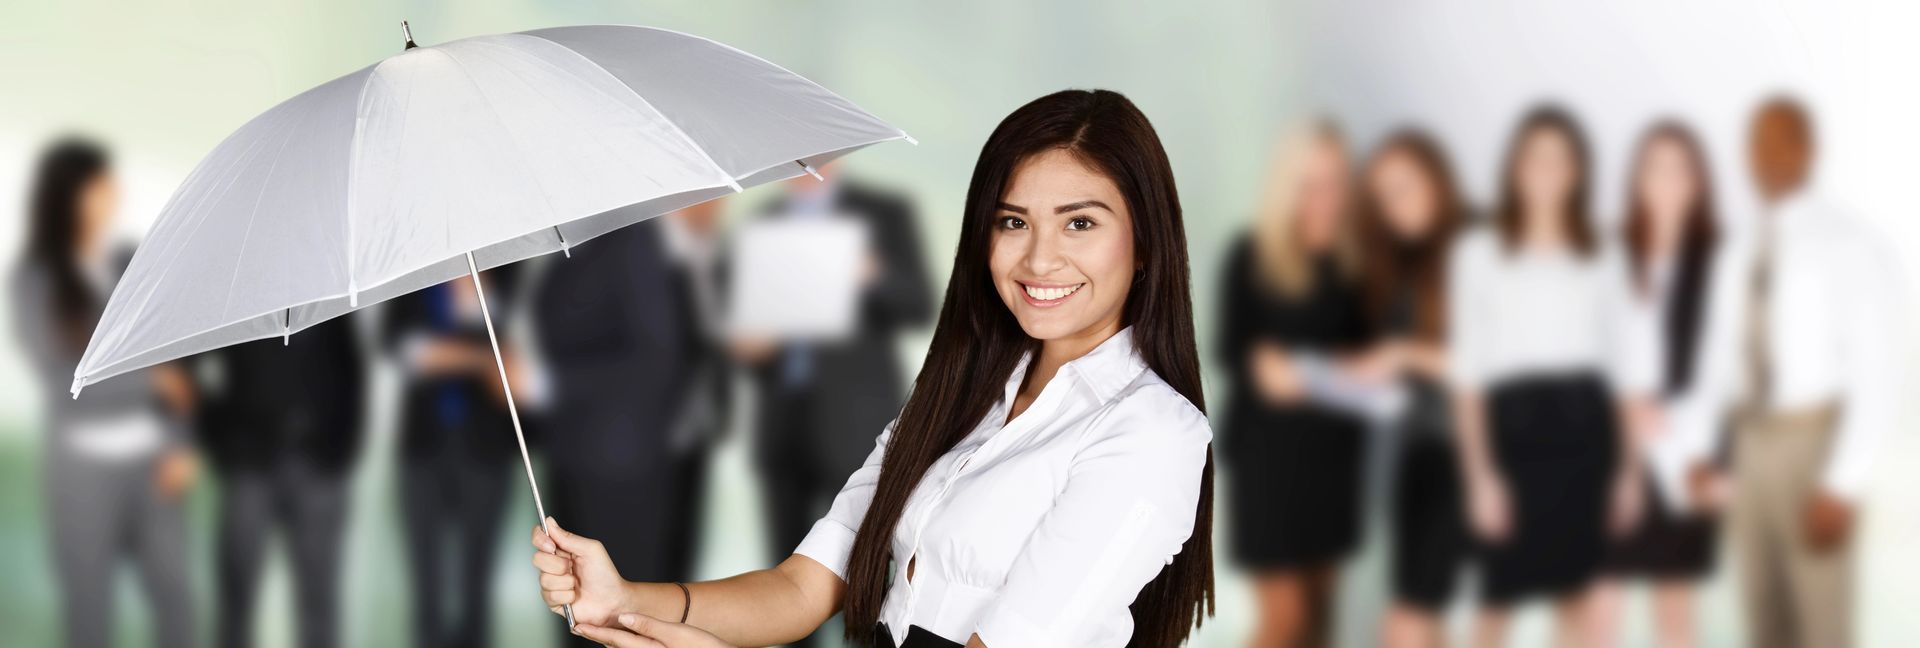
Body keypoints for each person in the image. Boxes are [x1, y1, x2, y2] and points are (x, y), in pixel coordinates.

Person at [529, 89, 1216, 648]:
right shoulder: (957, 398)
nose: (1038, 261)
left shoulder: (1153, 432)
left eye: (1080, 224)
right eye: (1012, 223)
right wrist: (624, 600)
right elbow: (803, 588)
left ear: (1147, 241)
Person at [1704, 96, 1905, 648]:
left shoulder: (1854, 244)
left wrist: (1842, 484)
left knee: (1822, 627)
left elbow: (1879, 374)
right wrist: (1702, 450)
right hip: (1749, 446)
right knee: (1764, 618)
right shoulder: (1737, 249)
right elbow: (1722, 357)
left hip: (1814, 444)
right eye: (1756, 143)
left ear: (1811, 149)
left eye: (1783, 139)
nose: (1768, 155)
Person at [1447, 105, 1640, 648]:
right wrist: (1481, 477)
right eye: (1535, 159)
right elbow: (1467, 378)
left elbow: (1623, 371)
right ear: (1515, 168)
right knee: (1494, 606)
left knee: (1580, 602)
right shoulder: (1477, 252)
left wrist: (1628, 471)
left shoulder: (1605, 252)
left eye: (1560, 160)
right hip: (1512, 433)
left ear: (1577, 171)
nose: (1546, 172)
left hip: (1585, 435)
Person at [728, 163, 933, 646]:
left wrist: (872, 274)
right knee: (786, 567)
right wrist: (748, 346)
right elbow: (742, 320)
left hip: (854, 423)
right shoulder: (763, 224)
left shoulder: (882, 212)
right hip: (781, 420)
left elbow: (918, 303)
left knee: (862, 567)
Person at [12, 137, 198, 648]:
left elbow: (172, 357)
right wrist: (148, 379)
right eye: (101, 182)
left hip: (153, 464)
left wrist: (181, 443)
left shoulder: (129, 259)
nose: (114, 191)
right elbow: (63, 379)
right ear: (71, 193)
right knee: (89, 611)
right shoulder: (33, 279)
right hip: (82, 472)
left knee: (176, 602)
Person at [1218, 121, 1383, 648]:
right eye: (1310, 182)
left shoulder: (1356, 267)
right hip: (1268, 465)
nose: (1325, 197)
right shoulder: (1251, 257)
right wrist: (1333, 373)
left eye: (1336, 182)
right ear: (1286, 186)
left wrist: (1313, 374)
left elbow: (1376, 371)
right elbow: (1248, 362)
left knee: (1318, 621)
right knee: (1283, 620)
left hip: (1335, 462)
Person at [1587, 122, 1732, 648]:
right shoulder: (1609, 258)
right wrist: (1624, 413)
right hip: (1612, 451)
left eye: (1680, 169)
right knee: (1599, 608)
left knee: (1674, 614)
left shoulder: (1720, 264)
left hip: (1685, 453)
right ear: (1637, 180)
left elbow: (1730, 377)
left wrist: (1712, 468)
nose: (1667, 180)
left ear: (1698, 183)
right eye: (1654, 167)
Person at [529, 216, 700, 647]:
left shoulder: (632, 241)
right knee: (576, 614)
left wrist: (545, 382)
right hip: (571, 460)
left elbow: (655, 358)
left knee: (623, 621)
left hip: (623, 469)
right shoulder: (564, 250)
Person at [191, 311, 366, 648]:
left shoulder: (330, 300)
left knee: (319, 595)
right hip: (249, 467)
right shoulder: (235, 302)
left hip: (319, 465)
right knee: (236, 592)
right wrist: (223, 447)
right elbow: (202, 373)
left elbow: (352, 371)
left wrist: (340, 450)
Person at [1355, 129, 1467, 648]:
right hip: (1417, 458)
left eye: (1404, 187)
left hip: (1464, 457)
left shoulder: (1476, 250)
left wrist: (1402, 356)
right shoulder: (1400, 266)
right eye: (1383, 198)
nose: (1394, 207)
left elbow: (1498, 363)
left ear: (1435, 179)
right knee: (1427, 624)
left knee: (1404, 625)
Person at [382, 266, 525, 648]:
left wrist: (474, 299)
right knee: (425, 580)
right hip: (422, 448)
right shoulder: (410, 273)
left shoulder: (508, 272)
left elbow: (515, 354)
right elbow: (403, 350)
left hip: (487, 448)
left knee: (477, 579)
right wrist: (480, 361)